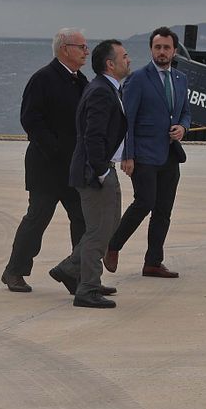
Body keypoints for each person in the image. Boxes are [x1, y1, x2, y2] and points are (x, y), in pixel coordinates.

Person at [0, 29, 90, 293]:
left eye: (87, 47)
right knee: (38, 218)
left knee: (83, 220)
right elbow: (30, 119)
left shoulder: (81, 81)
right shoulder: (43, 79)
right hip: (47, 165)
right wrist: (55, 149)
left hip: (73, 165)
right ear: (65, 49)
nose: (86, 51)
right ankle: (14, 271)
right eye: (82, 47)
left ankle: (78, 274)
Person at [50, 39, 130, 308]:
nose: (128, 60)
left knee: (108, 227)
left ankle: (71, 269)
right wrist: (100, 173)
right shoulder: (100, 91)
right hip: (94, 172)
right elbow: (93, 136)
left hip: (103, 167)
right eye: (124, 56)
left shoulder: (109, 89)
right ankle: (88, 288)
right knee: (99, 231)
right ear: (110, 64)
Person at [106, 27, 191, 279]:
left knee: (163, 210)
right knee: (144, 202)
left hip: (170, 154)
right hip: (143, 154)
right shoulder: (138, 79)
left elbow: (185, 112)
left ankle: (153, 262)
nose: (162, 52)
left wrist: (183, 127)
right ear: (151, 50)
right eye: (157, 47)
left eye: (166, 47)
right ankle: (113, 245)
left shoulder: (180, 79)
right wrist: (127, 155)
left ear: (174, 51)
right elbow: (127, 119)